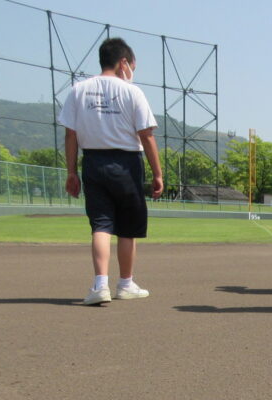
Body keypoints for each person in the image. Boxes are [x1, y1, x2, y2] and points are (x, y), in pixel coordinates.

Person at [58, 37, 164, 306]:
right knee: (127, 229)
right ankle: (125, 284)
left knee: (101, 225)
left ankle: (99, 285)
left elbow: (70, 135)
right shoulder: (133, 92)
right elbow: (147, 135)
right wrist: (158, 174)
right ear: (124, 62)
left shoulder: (78, 90)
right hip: (127, 164)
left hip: (92, 162)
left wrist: (72, 172)